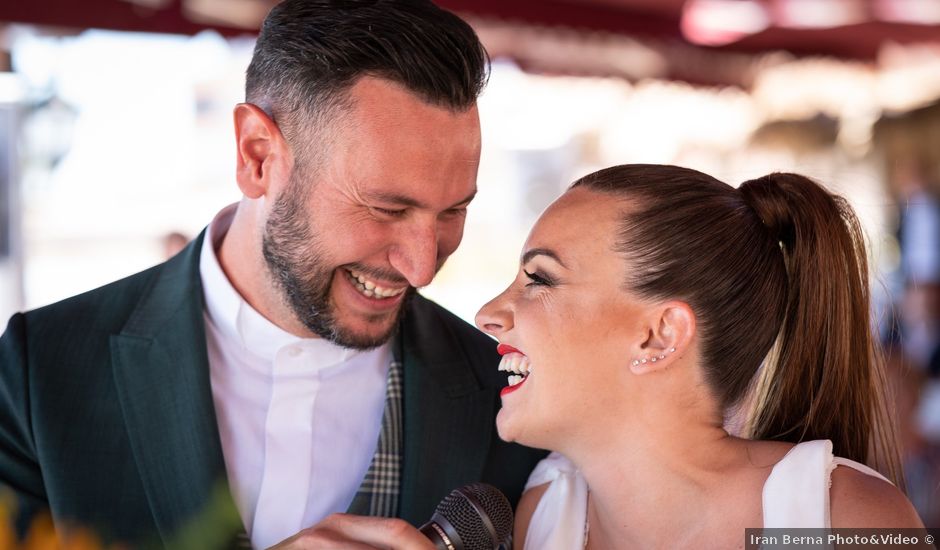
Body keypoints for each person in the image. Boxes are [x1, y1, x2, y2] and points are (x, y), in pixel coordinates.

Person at [0, 1, 545, 548]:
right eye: (386, 208)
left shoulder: (512, 401)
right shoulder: (39, 372)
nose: (422, 267)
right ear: (257, 155)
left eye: (452, 211)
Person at [475, 164, 926, 549]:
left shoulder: (839, 522)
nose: (487, 314)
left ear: (659, 336)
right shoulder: (549, 514)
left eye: (540, 279)